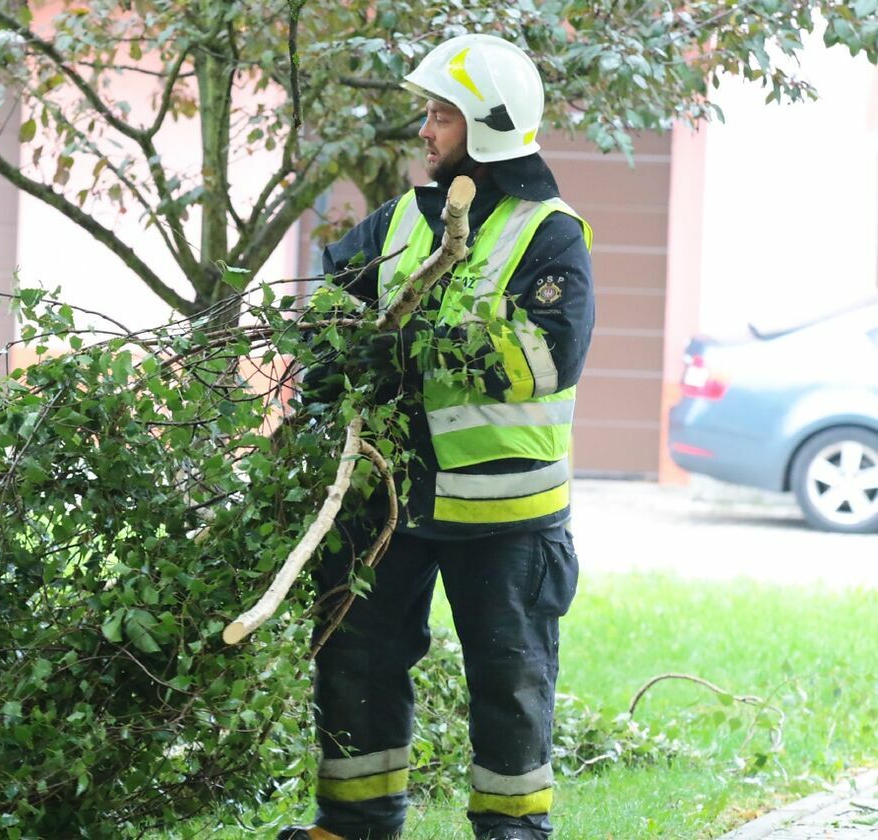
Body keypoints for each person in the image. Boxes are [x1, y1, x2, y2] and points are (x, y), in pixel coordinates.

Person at [280, 34, 595, 840]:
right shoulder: (401, 223)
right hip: (386, 497)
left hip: (505, 520)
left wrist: (410, 342)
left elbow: (546, 358)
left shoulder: (549, 234)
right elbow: (326, 316)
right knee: (355, 664)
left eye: (443, 116)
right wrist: (329, 369)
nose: (426, 130)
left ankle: (512, 832)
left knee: (511, 679)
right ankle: (351, 825)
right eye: (428, 112)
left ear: (488, 126)